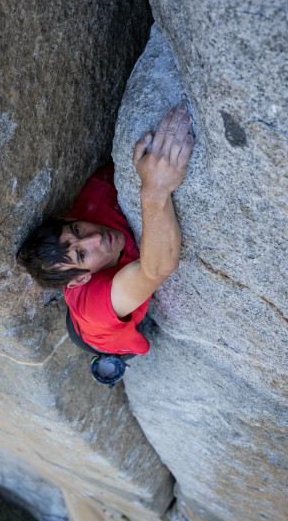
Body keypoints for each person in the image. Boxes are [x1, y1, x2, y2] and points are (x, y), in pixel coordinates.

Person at [16, 102, 193, 381]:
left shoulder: (98, 194)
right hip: (98, 332)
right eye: (82, 255)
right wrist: (155, 190)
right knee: (117, 347)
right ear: (78, 281)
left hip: (84, 316)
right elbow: (157, 269)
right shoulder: (96, 306)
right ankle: (111, 358)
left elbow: (132, 164)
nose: (96, 237)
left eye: (76, 230)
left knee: (87, 323)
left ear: (67, 218)